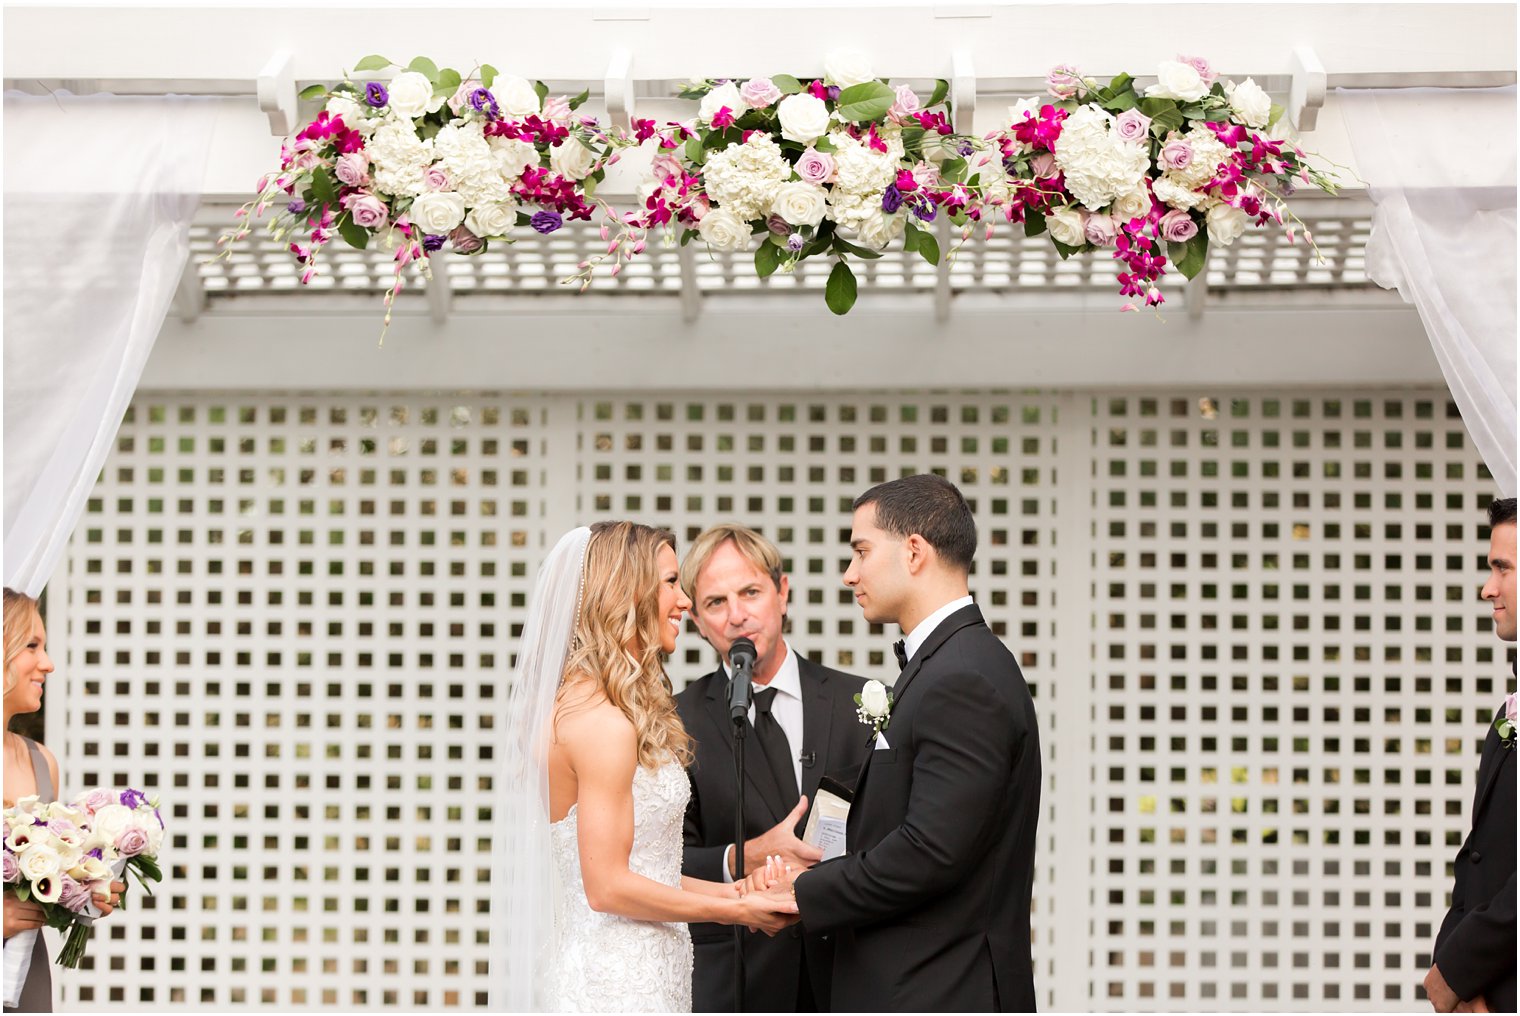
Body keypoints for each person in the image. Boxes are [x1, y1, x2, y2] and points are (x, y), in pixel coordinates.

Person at [486, 523, 797, 1013]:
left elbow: (651, 869)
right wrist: (735, 908)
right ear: (627, 593)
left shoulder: (589, 708)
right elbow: (607, 886)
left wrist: (735, 891)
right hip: (619, 984)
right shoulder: (601, 723)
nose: (684, 603)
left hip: (639, 969)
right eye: (671, 583)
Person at [775, 474, 1042, 1011]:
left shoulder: (963, 676)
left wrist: (801, 893)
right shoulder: (947, 665)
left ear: (914, 551)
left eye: (860, 551)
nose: (850, 575)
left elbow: (930, 851)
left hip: (939, 990)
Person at [674, 525, 870, 1011]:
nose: (737, 615)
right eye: (716, 602)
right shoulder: (675, 720)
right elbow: (660, 861)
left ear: (782, 594)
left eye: (751, 592)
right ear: (698, 620)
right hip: (736, 980)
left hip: (850, 971)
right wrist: (744, 857)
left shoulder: (858, 702)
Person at [2, 589, 123, 1014]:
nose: (48, 663)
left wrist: (82, 892)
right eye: (31, 645)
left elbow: (38, 893)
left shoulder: (41, 763)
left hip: (26, 982)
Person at [1425, 497, 1517, 1014]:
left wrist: (1458, 971)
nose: (1487, 588)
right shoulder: (1510, 712)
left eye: (1502, 568)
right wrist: (1458, 986)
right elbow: (1480, 856)